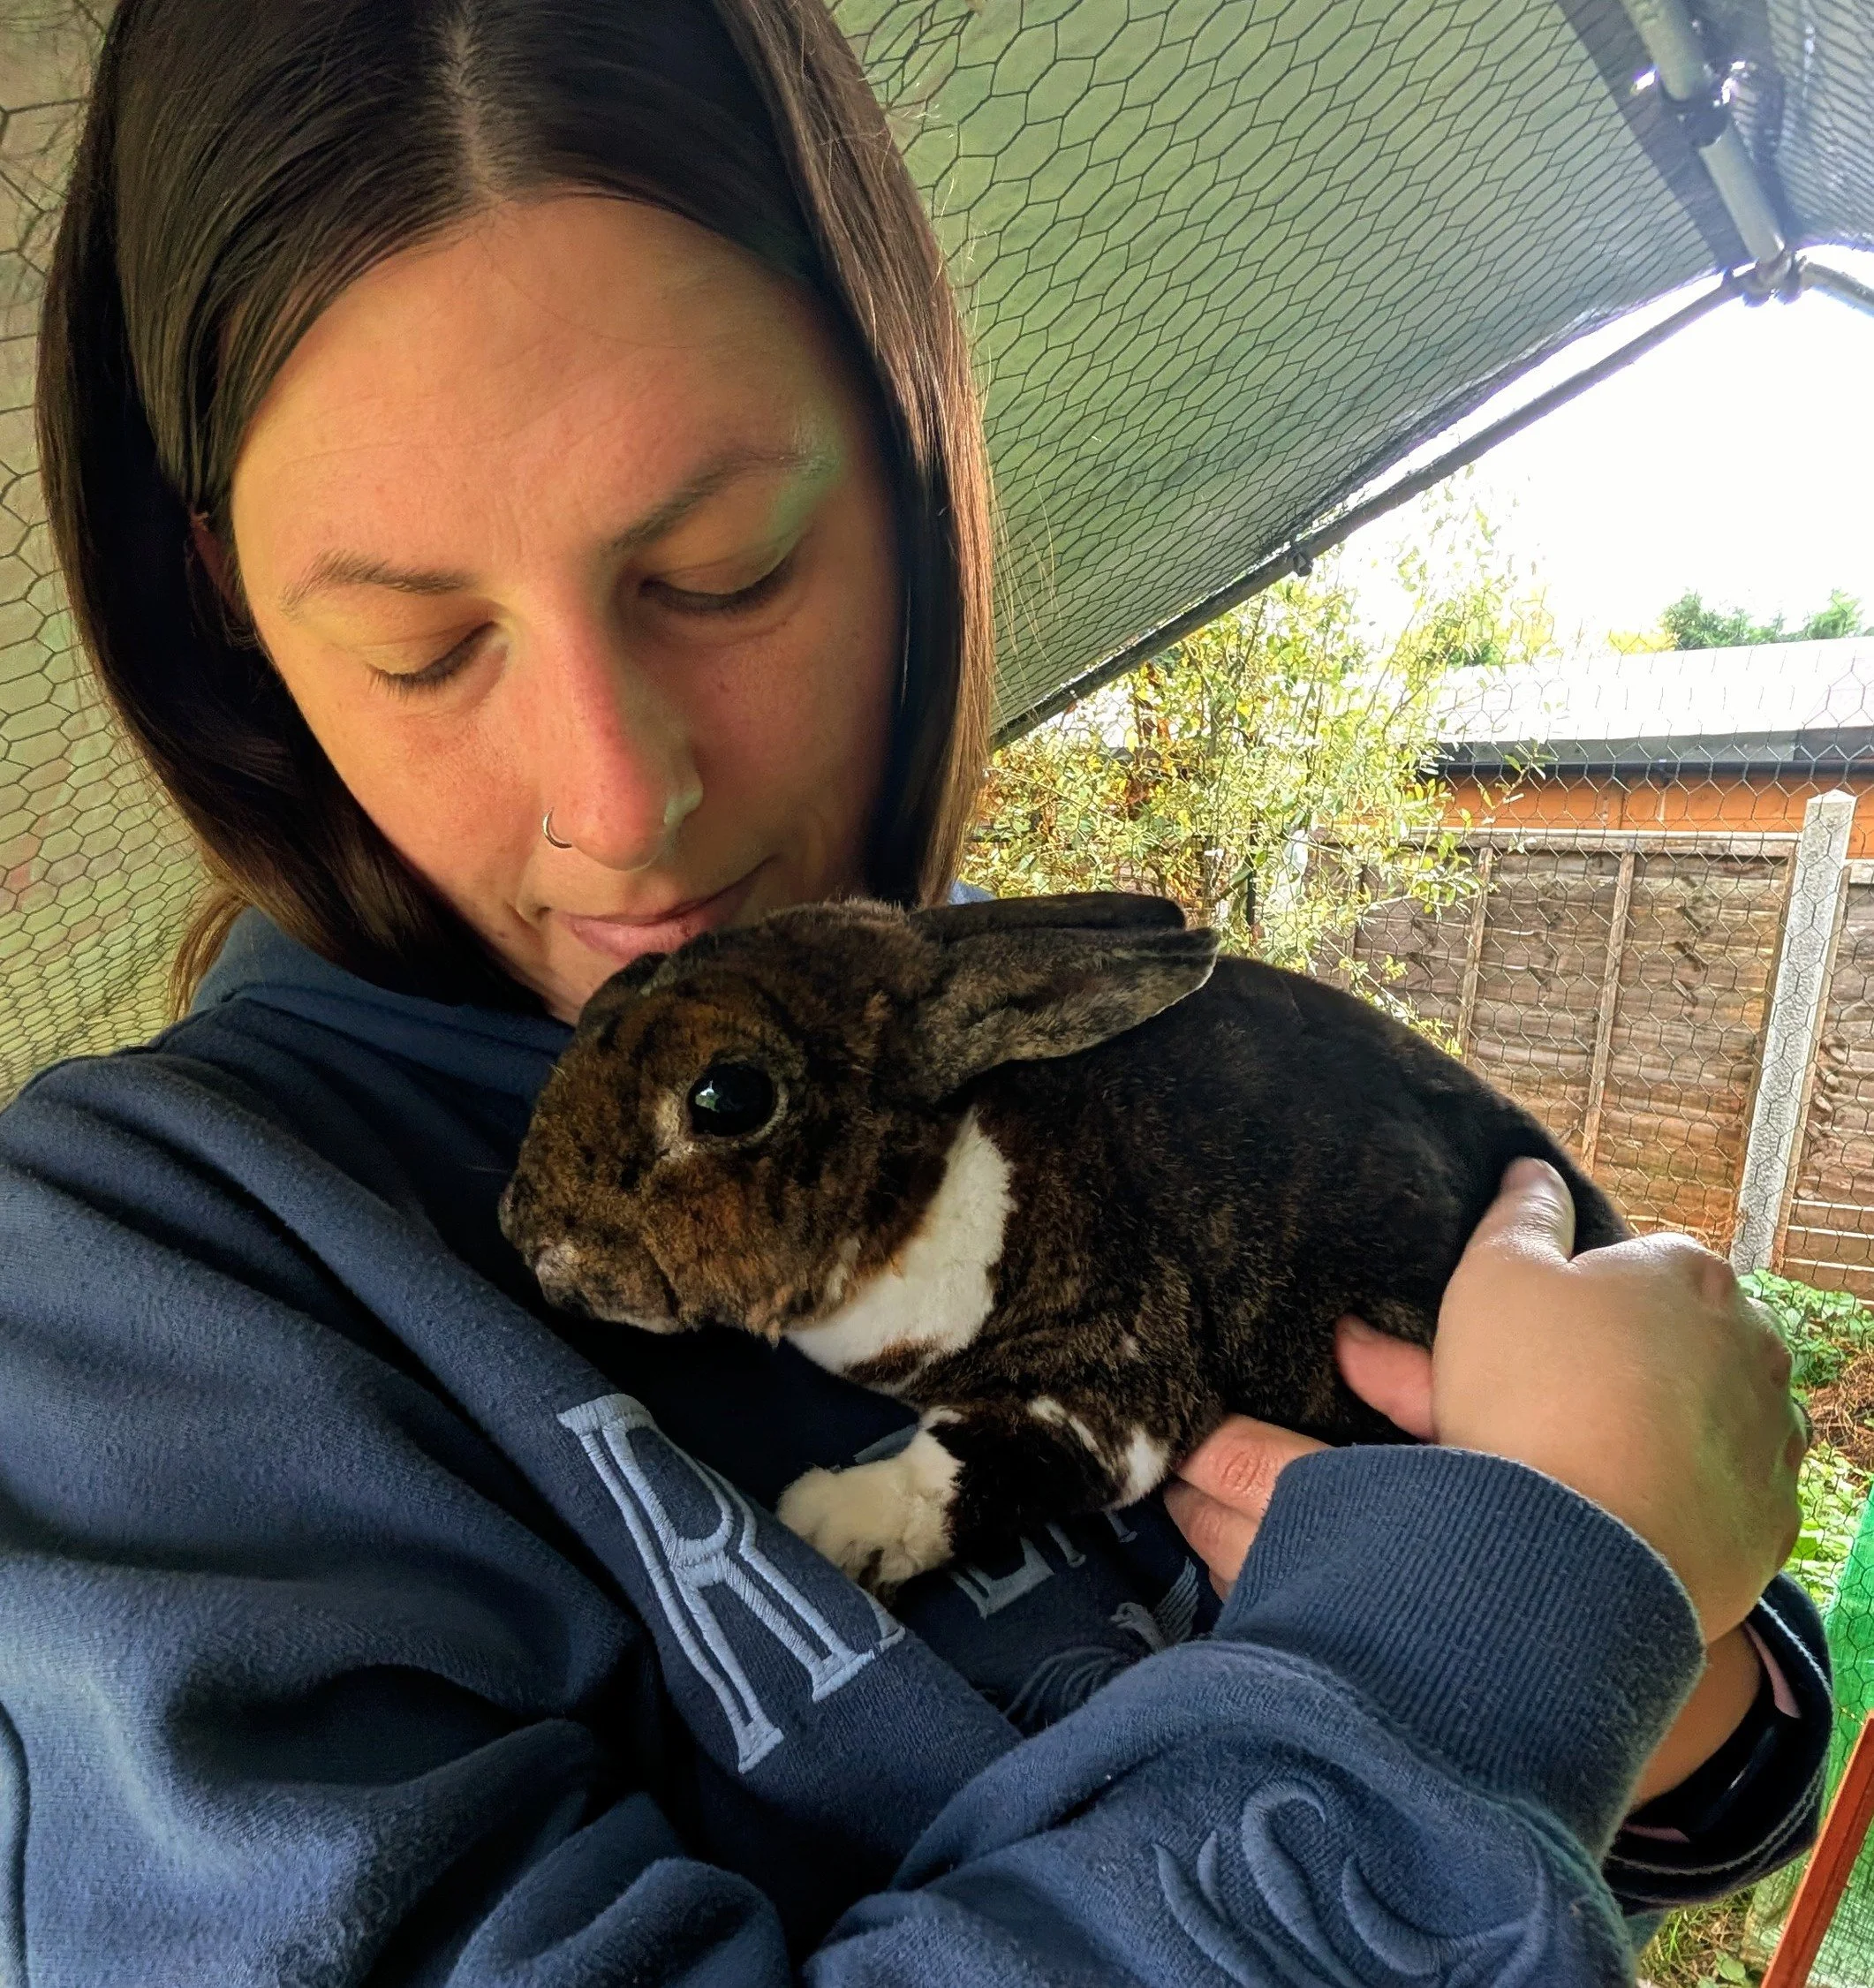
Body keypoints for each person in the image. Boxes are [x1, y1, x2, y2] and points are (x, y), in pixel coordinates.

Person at [0, 0, 1827, 1979]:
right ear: (227, 614)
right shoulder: (129, 1294)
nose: (620, 807)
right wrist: (1483, 1648)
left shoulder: (1038, 1020)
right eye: (423, 648)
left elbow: (1675, 1691)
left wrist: (1645, 1647)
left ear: (907, 448)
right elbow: (1531, 1626)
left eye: (724, 570)